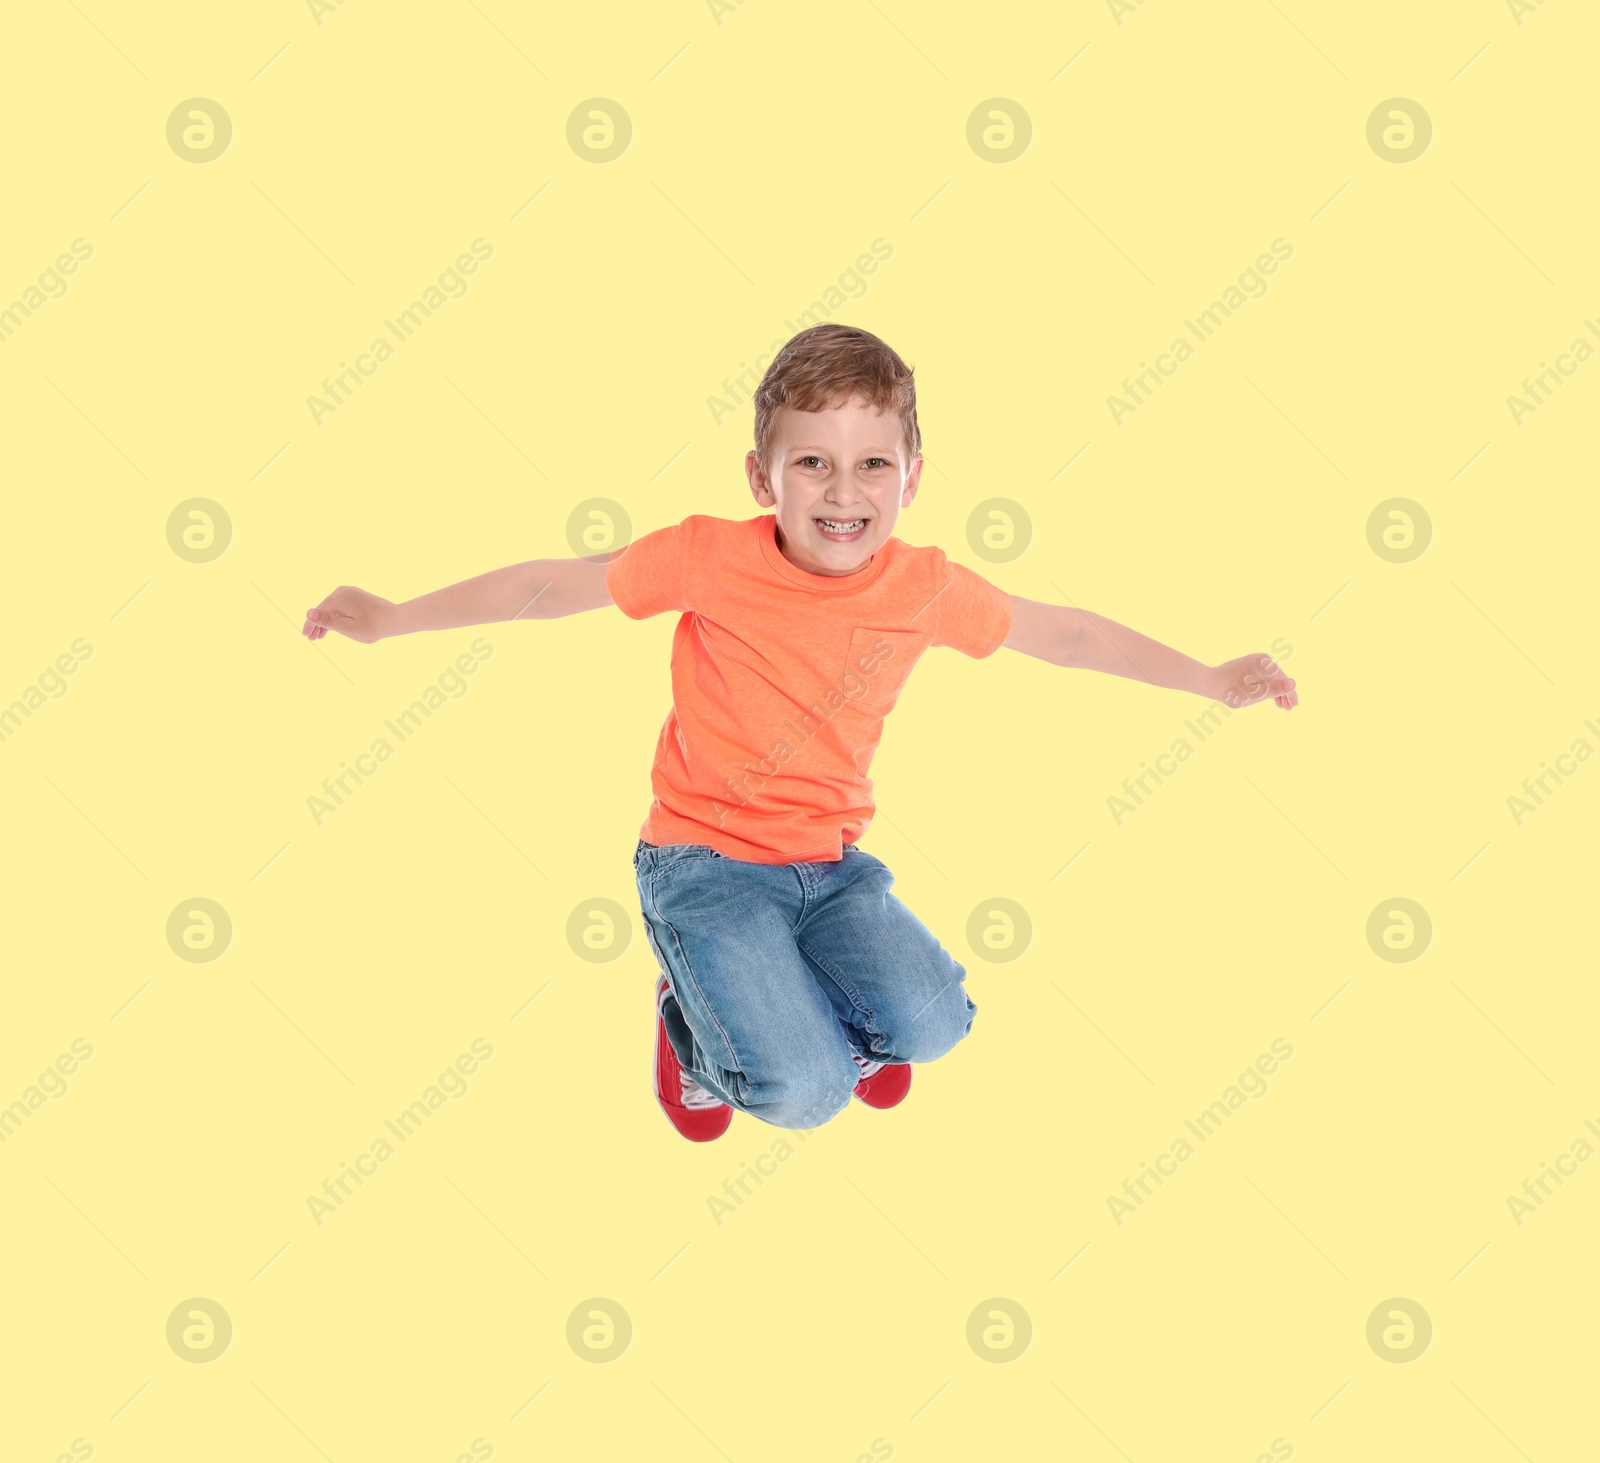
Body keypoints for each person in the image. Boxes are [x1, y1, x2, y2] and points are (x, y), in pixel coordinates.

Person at [302, 323, 1297, 1143]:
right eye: (811, 463)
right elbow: (545, 585)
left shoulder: (926, 588)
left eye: (871, 464)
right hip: (700, 864)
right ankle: (690, 1026)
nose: (842, 491)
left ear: (911, 476)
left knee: (934, 1027)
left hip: (828, 868)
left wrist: (1211, 679)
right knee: (808, 1094)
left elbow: (1068, 635)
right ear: (761, 474)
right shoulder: (706, 559)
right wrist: (393, 616)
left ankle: (781, 999)